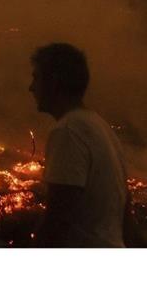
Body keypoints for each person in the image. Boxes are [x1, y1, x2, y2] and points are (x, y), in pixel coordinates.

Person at [29, 43, 128, 247]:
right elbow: (126, 214)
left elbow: (57, 219)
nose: (31, 87)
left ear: (54, 82)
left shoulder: (68, 131)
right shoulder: (99, 126)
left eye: (36, 78)